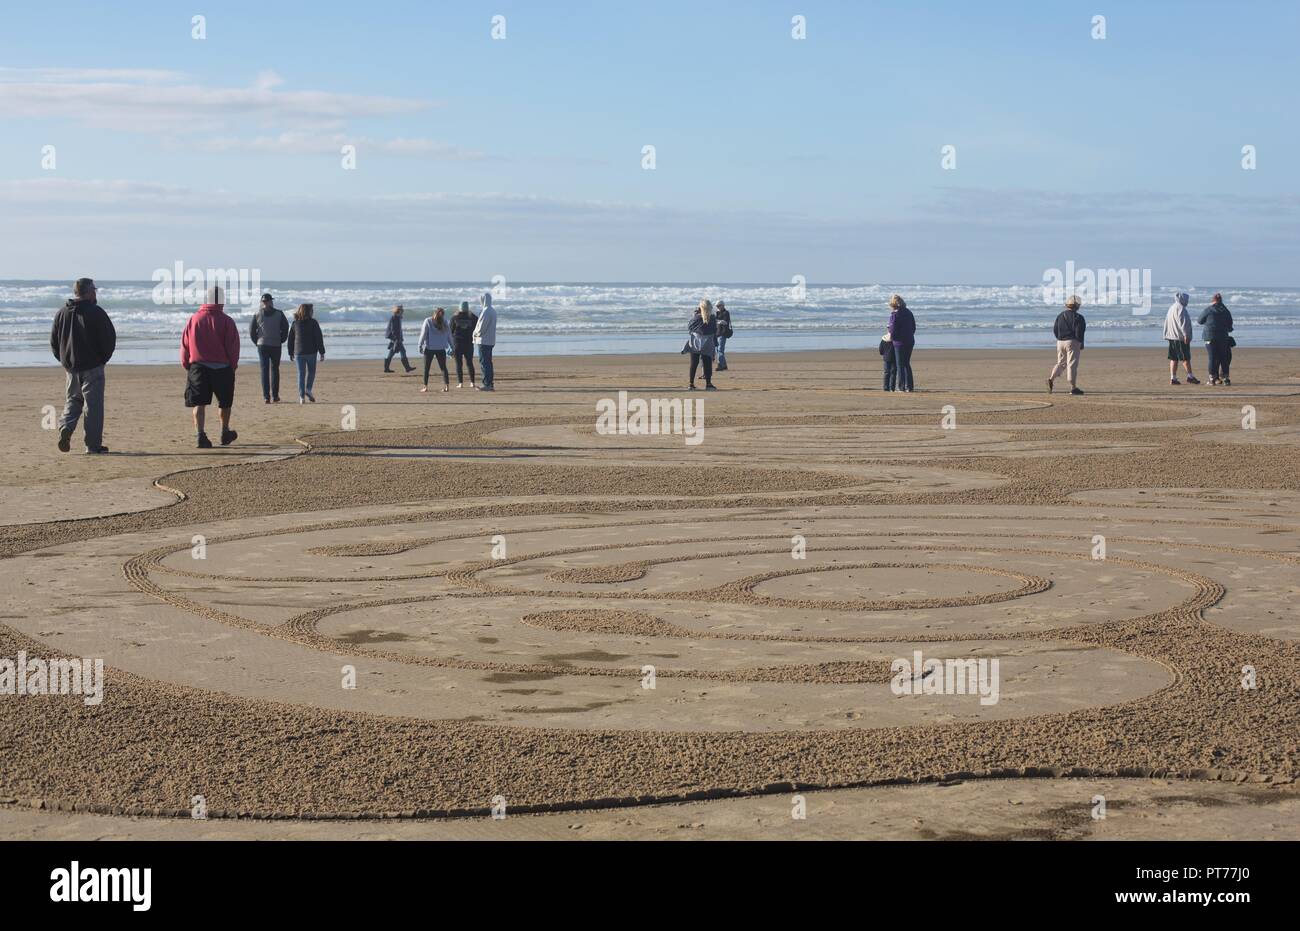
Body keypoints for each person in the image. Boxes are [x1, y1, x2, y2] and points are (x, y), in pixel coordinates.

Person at [50, 277, 116, 454]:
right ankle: (92, 445)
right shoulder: (95, 312)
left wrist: (64, 361)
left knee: (73, 401)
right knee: (93, 406)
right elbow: (109, 338)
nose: (95, 292)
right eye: (94, 289)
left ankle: (66, 427)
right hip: (92, 366)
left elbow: (54, 342)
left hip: (72, 368)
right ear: (88, 292)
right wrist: (103, 359)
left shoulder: (62, 312)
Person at [181, 285, 239, 448]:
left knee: (199, 403)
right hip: (222, 368)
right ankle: (225, 431)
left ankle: (200, 434)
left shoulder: (194, 319)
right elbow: (233, 347)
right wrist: (232, 366)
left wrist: (186, 363)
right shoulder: (227, 321)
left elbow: (185, 343)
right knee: (225, 403)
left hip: (198, 366)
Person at [249, 292, 289, 403]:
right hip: (275, 345)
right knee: (275, 370)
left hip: (263, 345)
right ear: (271, 301)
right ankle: (275, 396)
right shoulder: (279, 314)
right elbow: (285, 328)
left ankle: (266, 397)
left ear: (262, 302)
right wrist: (282, 339)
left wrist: (257, 342)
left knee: (264, 370)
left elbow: (252, 331)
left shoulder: (257, 314)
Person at [1047, 295, 1087, 395]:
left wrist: (1059, 338)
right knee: (1072, 364)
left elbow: (1055, 330)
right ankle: (1073, 387)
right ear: (1077, 306)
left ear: (1067, 305)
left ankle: (1051, 379)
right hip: (1072, 342)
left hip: (1060, 342)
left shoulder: (1060, 315)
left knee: (1061, 363)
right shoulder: (1079, 317)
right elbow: (1079, 332)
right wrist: (1080, 342)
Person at [287, 303, 326, 403]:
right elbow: (318, 338)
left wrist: (290, 352)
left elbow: (290, 339)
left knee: (301, 373)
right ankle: (308, 389)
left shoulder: (295, 323)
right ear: (309, 312)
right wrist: (322, 352)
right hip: (311, 352)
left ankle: (301, 397)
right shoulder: (313, 323)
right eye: (312, 310)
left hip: (298, 352)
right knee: (311, 372)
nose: (313, 312)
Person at [1163, 291, 1200, 385]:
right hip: (1179, 337)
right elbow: (1183, 323)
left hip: (1172, 336)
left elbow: (1167, 322)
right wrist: (1186, 335)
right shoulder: (1181, 308)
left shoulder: (1171, 307)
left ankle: (1173, 378)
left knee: (1174, 358)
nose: (1187, 301)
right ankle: (1190, 376)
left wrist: (1166, 334)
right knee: (1185, 358)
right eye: (1186, 299)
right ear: (1182, 299)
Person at [1198, 292, 1235, 386]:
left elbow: (1199, 321)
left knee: (1212, 358)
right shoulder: (1226, 311)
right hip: (1223, 337)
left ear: (1213, 300)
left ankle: (1212, 379)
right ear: (1221, 301)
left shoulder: (1208, 310)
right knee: (1224, 358)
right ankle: (1226, 378)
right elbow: (1230, 327)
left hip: (1209, 336)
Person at [684, 299, 717, 390]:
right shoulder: (713, 318)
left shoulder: (697, 317)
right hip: (708, 343)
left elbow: (690, 327)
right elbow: (715, 330)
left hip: (695, 342)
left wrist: (695, 314)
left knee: (694, 363)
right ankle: (708, 384)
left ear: (700, 307)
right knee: (707, 363)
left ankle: (691, 384)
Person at [418, 307, 453, 393]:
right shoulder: (445, 322)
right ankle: (447, 387)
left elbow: (423, 334)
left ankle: (425, 387)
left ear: (434, 313)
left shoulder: (428, 321)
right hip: (441, 349)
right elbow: (449, 336)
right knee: (443, 368)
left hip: (429, 348)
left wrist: (420, 345)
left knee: (426, 368)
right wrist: (452, 347)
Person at [887, 294, 916, 392]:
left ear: (893, 304)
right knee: (906, 363)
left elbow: (892, 329)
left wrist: (891, 337)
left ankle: (901, 387)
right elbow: (913, 327)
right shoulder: (908, 312)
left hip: (899, 342)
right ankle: (910, 387)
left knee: (900, 365)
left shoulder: (894, 315)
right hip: (910, 340)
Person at [450, 300, 479, 388]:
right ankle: (472, 382)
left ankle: (460, 383)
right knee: (469, 363)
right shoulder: (473, 317)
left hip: (457, 343)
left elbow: (450, 331)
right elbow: (477, 328)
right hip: (469, 343)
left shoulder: (454, 318)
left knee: (459, 364)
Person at [474, 291, 498, 391]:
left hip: (483, 341)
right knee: (488, 362)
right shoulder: (492, 310)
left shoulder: (486, 311)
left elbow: (481, 327)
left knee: (484, 363)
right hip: (490, 340)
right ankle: (490, 383)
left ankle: (487, 384)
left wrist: (475, 333)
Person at [384, 305, 415, 373]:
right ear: (398, 310)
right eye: (401, 309)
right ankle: (407, 368)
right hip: (395, 338)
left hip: (396, 338)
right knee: (402, 351)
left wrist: (400, 338)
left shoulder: (398, 317)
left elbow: (398, 330)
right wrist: (397, 339)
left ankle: (386, 368)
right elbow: (393, 329)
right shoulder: (395, 317)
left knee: (392, 352)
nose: (403, 310)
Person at [714, 299, 733, 371]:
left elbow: (725, 322)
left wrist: (718, 321)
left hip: (723, 333)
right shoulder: (717, 313)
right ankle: (724, 365)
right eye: (717, 306)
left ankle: (720, 365)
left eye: (719, 306)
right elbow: (715, 321)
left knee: (720, 350)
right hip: (717, 333)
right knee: (718, 350)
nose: (718, 307)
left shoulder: (726, 313)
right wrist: (718, 321)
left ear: (723, 305)